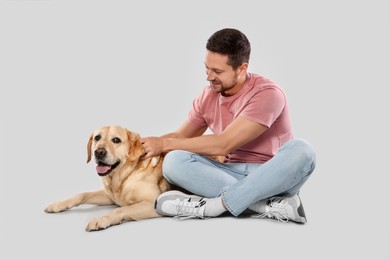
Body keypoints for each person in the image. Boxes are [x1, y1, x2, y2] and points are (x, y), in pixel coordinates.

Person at [140, 28, 316, 223]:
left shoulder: (268, 94)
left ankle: (213, 207)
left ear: (242, 68)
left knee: (303, 150)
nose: (209, 76)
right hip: (228, 172)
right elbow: (180, 137)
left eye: (217, 71)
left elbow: (224, 144)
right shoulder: (208, 95)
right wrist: (135, 147)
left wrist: (164, 145)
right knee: (173, 161)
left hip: (271, 175)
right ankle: (262, 204)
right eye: (206, 68)